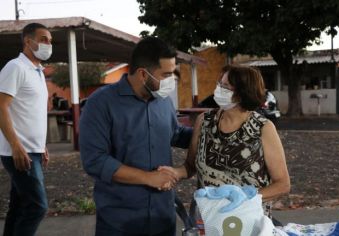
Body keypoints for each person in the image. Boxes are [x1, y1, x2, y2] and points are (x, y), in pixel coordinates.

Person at [79, 37, 192, 236]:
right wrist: (148, 178)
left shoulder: (163, 101)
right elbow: (95, 161)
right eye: (166, 75)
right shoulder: (101, 103)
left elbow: (175, 134)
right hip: (120, 222)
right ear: (142, 74)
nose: (171, 81)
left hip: (163, 216)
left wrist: (210, 130)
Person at [163, 65, 290, 218]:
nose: (219, 89)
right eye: (219, 84)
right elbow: (190, 166)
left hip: (249, 221)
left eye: (226, 86)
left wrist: (246, 198)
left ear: (242, 92)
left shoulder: (263, 128)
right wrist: (174, 172)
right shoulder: (204, 121)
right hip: (210, 219)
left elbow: (282, 184)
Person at [0, 23, 52, 236]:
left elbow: (31, 112)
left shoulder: (37, 72)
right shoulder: (16, 67)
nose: (48, 44)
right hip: (20, 152)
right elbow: (1, 106)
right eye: (43, 39)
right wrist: (15, 145)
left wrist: (42, 146)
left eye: (50, 40)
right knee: (37, 207)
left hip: (33, 150)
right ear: (28, 41)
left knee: (20, 206)